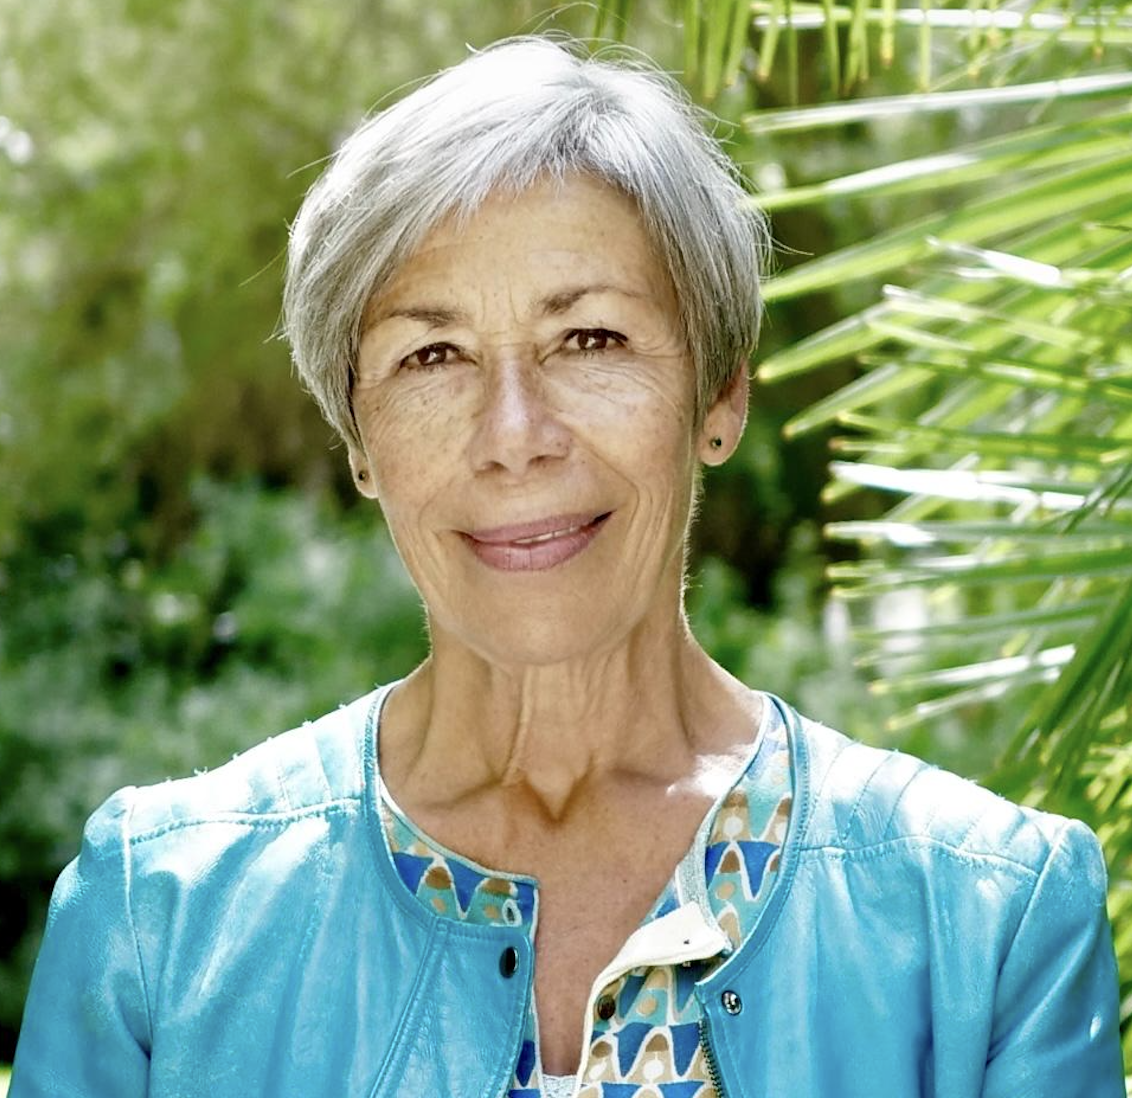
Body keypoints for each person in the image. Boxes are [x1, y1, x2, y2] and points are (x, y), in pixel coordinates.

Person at [10, 36, 1124, 1098]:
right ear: (358, 441)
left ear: (720, 393)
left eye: (589, 339)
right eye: (431, 355)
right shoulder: (157, 918)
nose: (514, 435)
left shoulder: (990, 922)